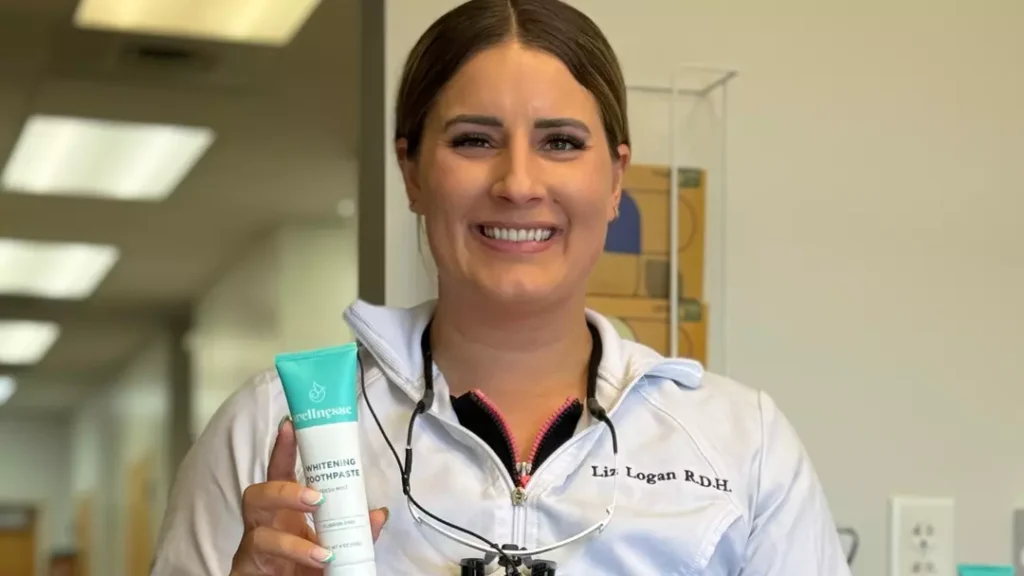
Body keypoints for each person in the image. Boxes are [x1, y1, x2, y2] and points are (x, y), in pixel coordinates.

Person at [151, 0, 853, 574]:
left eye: (561, 143)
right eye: (474, 140)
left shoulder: (743, 445)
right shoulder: (271, 429)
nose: (518, 183)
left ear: (616, 179)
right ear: (412, 173)